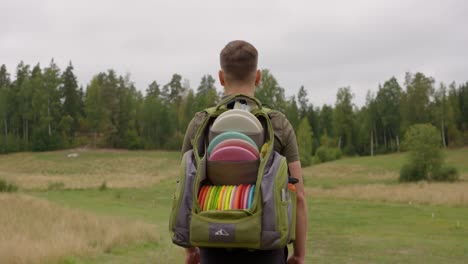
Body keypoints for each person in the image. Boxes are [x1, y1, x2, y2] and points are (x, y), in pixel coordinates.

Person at [181, 40, 307, 264]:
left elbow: (186, 188)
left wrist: (190, 250)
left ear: (221, 78)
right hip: (267, 250)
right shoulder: (278, 124)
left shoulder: (200, 123)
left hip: (213, 245)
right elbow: (298, 195)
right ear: (258, 77)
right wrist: (299, 254)